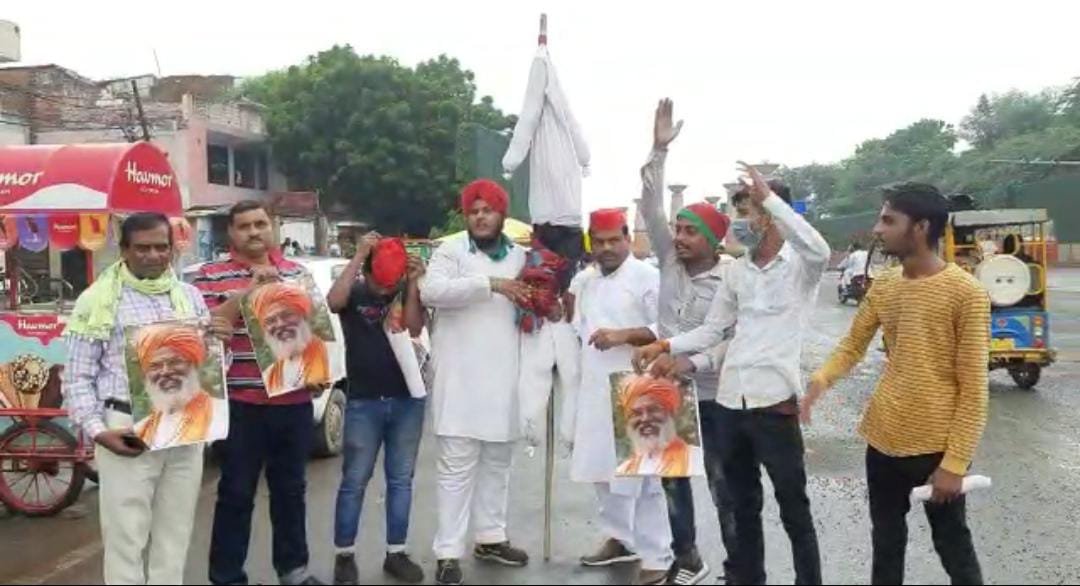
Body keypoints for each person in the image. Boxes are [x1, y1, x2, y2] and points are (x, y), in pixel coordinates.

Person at [636, 163, 831, 585]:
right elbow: (713, 330)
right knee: (743, 506)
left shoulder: (801, 268)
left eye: (747, 212)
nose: (739, 222)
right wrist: (667, 346)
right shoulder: (737, 272)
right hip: (730, 403)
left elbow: (818, 247)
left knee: (794, 509)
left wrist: (771, 198)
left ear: (771, 215)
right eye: (737, 212)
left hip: (774, 404)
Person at [802, 183, 990, 585]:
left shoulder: (967, 293)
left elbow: (974, 387)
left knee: (953, 545)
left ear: (920, 227)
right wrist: (821, 379)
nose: (877, 229)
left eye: (888, 221)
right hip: (882, 439)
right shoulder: (886, 285)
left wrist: (955, 463)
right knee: (886, 543)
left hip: (936, 448)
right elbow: (853, 344)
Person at [63, 212, 231, 585]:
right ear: (124, 250)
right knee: (127, 538)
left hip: (184, 426)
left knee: (175, 535)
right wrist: (98, 432)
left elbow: (207, 368)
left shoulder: (189, 297)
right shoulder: (97, 301)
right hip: (126, 429)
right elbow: (76, 379)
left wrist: (221, 344)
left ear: (172, 249)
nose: (153, 255)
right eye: (142, 248)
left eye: (161, 247)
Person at [193, 200, 324, 586]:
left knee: (291, 492)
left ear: (272, 226)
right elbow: (205, 331)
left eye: (260, 224)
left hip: (294, 403)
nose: (254, 232)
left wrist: (317, 373)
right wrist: (250, 291)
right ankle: (227, 577)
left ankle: (294, 571)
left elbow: (316, 331)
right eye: (245, 226)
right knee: (235, 495)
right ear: (231, 233)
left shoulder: (297, 274)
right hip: (240, 405)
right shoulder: (208, 277)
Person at [633, 99, 736, 585]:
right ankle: (687, 557)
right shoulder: (668, 262)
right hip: (661, 390)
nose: (678, 237)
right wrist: (658, 150)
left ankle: (739, 566)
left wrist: (690, 363)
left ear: (714, 241)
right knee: (670, 479)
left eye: (690, 232)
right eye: (677, 229)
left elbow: (727, 342)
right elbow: (649, 204)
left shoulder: (731, 278)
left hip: (714, 396)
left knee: (722, 484)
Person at [420, 179, 531, 586]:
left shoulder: (521, 256)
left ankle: (490, 537)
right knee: (456, 468)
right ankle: (448, 553)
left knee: (498, 462)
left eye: (488, 210)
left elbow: (535, 304)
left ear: (502, 214)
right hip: (460, 379)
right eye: (473, 211)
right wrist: (492, 284)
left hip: (505, 377)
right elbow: (431, 292)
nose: (481, 217)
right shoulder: (450, 251)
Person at [569, 207, 672, 586]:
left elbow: (668, 327)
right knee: (601, 471)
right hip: (595, 388)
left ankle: (658, 555)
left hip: (641, 387)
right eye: (599, 242)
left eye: (614, 240)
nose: (607, 248)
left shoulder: (648, 276)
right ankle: (620, 538)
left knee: (646, 478)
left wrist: (623, 335)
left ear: (628, 238)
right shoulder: (586, 281)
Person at [327, 234, 429, 585]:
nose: (385, 291)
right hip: (363, 402)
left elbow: (415, 326)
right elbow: (333, 301)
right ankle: (344, 556)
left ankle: (396, 553)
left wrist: (412, 282)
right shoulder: (354, 293)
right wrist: (358, 256)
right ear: (366, 273)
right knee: (354, 481)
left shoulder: (403, 290)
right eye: (379, 284)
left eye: (391, 284)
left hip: (407, 401)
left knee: (400, 480)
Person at [133, 324, 228, 450]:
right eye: (155, 366)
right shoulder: (142, 429)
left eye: (175, 362)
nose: (165, 371)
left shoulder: (220, 414)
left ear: (194, 365)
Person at [249, 281, 330, 396]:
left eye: (287, 315)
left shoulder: (331, 352)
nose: (280, 324)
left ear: (303, 316)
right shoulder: (270, 374)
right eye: (270, 321)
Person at [614, 375, 701, 477]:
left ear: (670, 413)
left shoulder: (697, 460)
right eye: (636, 413)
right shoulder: (624, 471)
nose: (645, 418)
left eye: (653, 410)